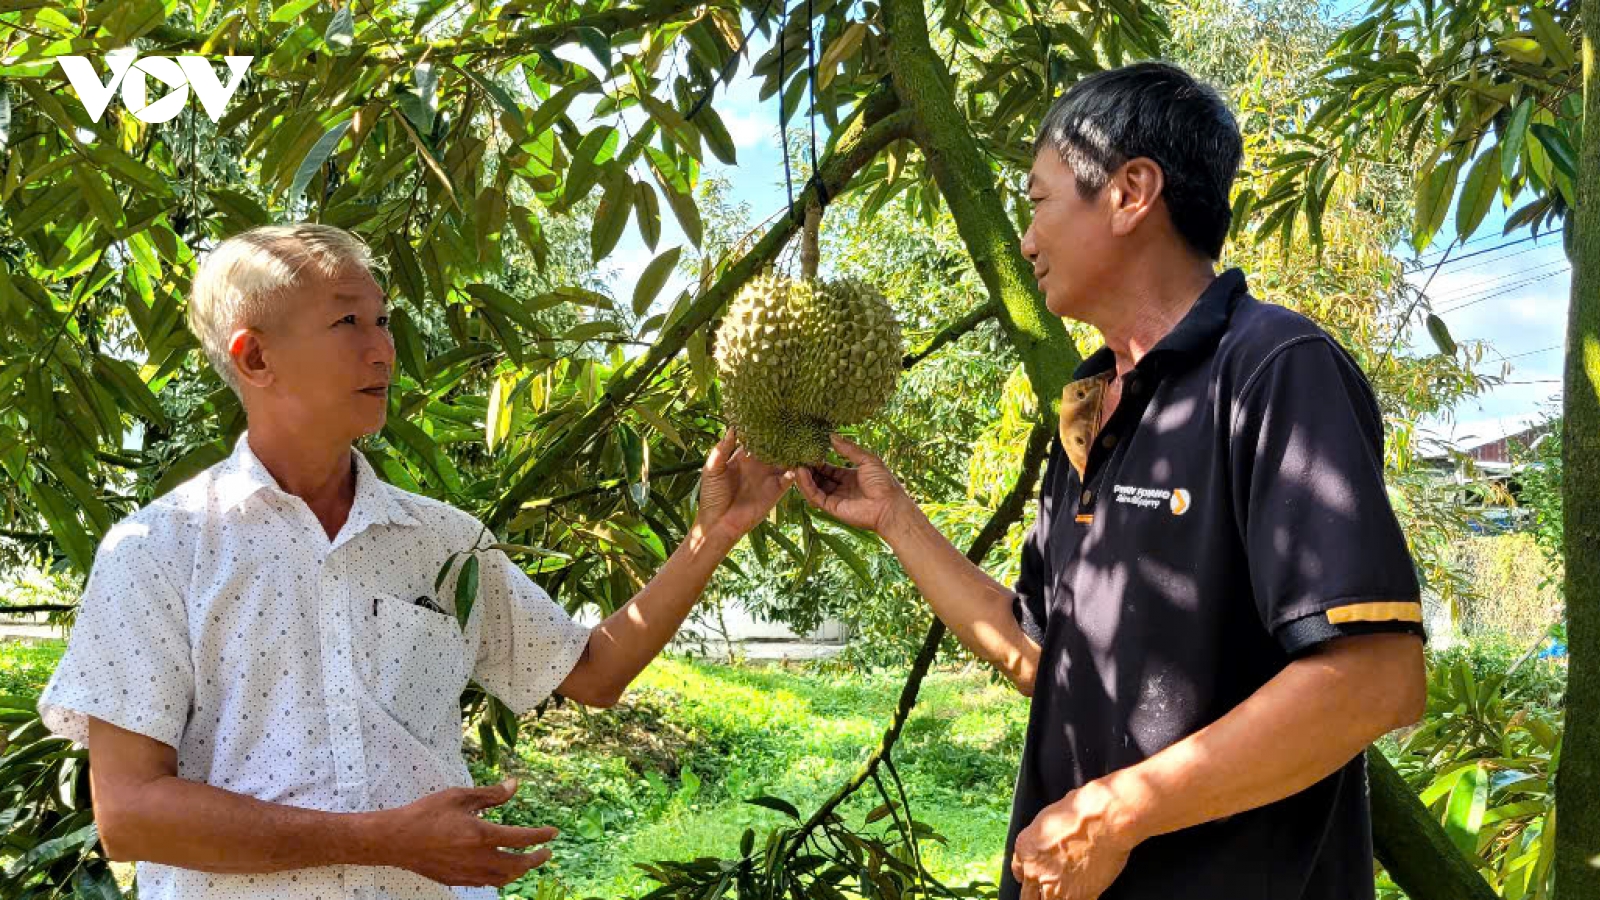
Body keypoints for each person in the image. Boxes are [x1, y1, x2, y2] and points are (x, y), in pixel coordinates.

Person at [793, 62, 1427, 900]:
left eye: (1039, 201)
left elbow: (1376, 679)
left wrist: (1118, 813)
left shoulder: (1274, 369)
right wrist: (893, 515)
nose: (1024, 240)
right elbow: (1040, 655)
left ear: (1130, 193)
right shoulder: (1092, 409)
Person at [36, 224, 794, 899]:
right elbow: (133, 816)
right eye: (347, 322)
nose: (383, 347)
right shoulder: (159, 550)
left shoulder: (441, 542)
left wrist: (713, 536)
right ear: (255, 356)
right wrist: (385, 841)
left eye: (384, 320)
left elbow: (592, 672)